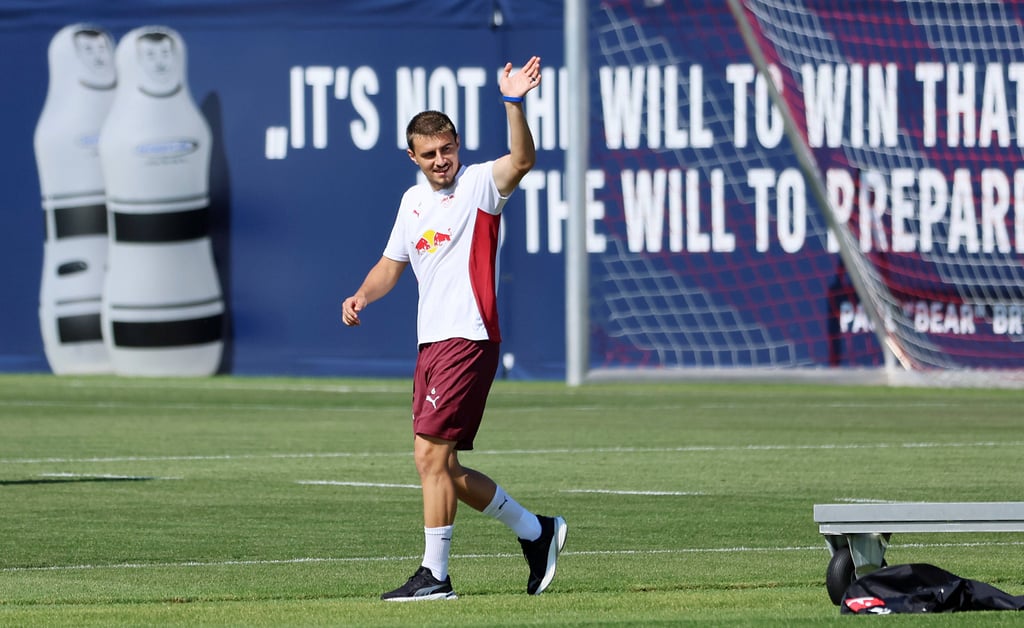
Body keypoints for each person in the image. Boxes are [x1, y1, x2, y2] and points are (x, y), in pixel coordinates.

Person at [341, 55, 567, 602]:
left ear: (457, 145)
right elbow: (391, 264)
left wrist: (514, 103)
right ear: (413, 157)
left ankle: (435, 576)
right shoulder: (413, 201)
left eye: (447, 149)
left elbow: (523, 159)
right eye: (430, 154)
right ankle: (538, 533)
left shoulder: (478, 186)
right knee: (443, 465)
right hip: (432, 342)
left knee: (428, 458)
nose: (441, 160)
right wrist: (362, 295)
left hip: (468, 336)